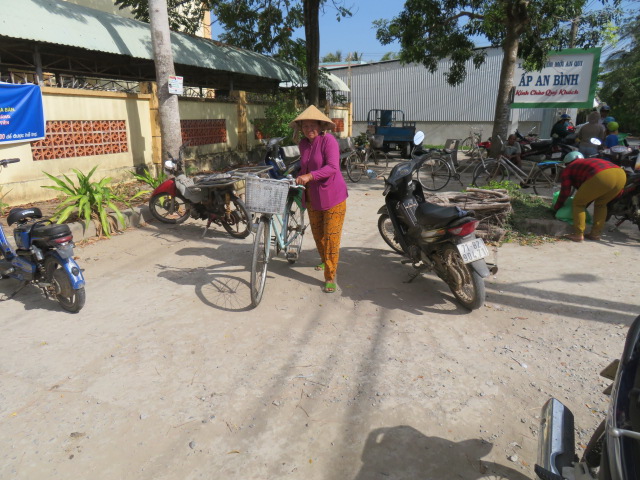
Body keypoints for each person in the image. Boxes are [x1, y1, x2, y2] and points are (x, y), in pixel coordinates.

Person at [291, 105, 348, 293]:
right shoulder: (303, 144)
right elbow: (304, 166)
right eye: (305, 126)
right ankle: (325, 260)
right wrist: (296, 175)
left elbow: (332, 167)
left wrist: (310, 176)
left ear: (320, 125)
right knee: (318, 234)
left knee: (331, 237)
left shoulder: (328, 141)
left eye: (312, 125)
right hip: (312, 197)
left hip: (333, 196)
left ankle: (330, 276)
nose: (309, 129)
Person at [554, 151, 626, 242]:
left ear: (567, 163)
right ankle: (595, 234)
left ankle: (578, 234)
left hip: (603, 175)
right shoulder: (586, 163)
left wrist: (557, 207)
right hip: (621, 174)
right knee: (601, 205)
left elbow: (565, 192)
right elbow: (589, 194)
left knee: (578, 203)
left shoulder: (569, 168)